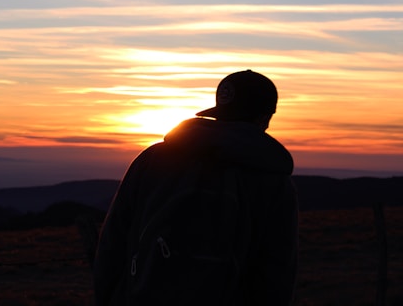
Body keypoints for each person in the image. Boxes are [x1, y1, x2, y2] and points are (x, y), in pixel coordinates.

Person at [93, 70, 298, 306]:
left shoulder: (151, 160)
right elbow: (277, 270)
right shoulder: (274, 182)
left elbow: (113, 243)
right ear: (265, 118)